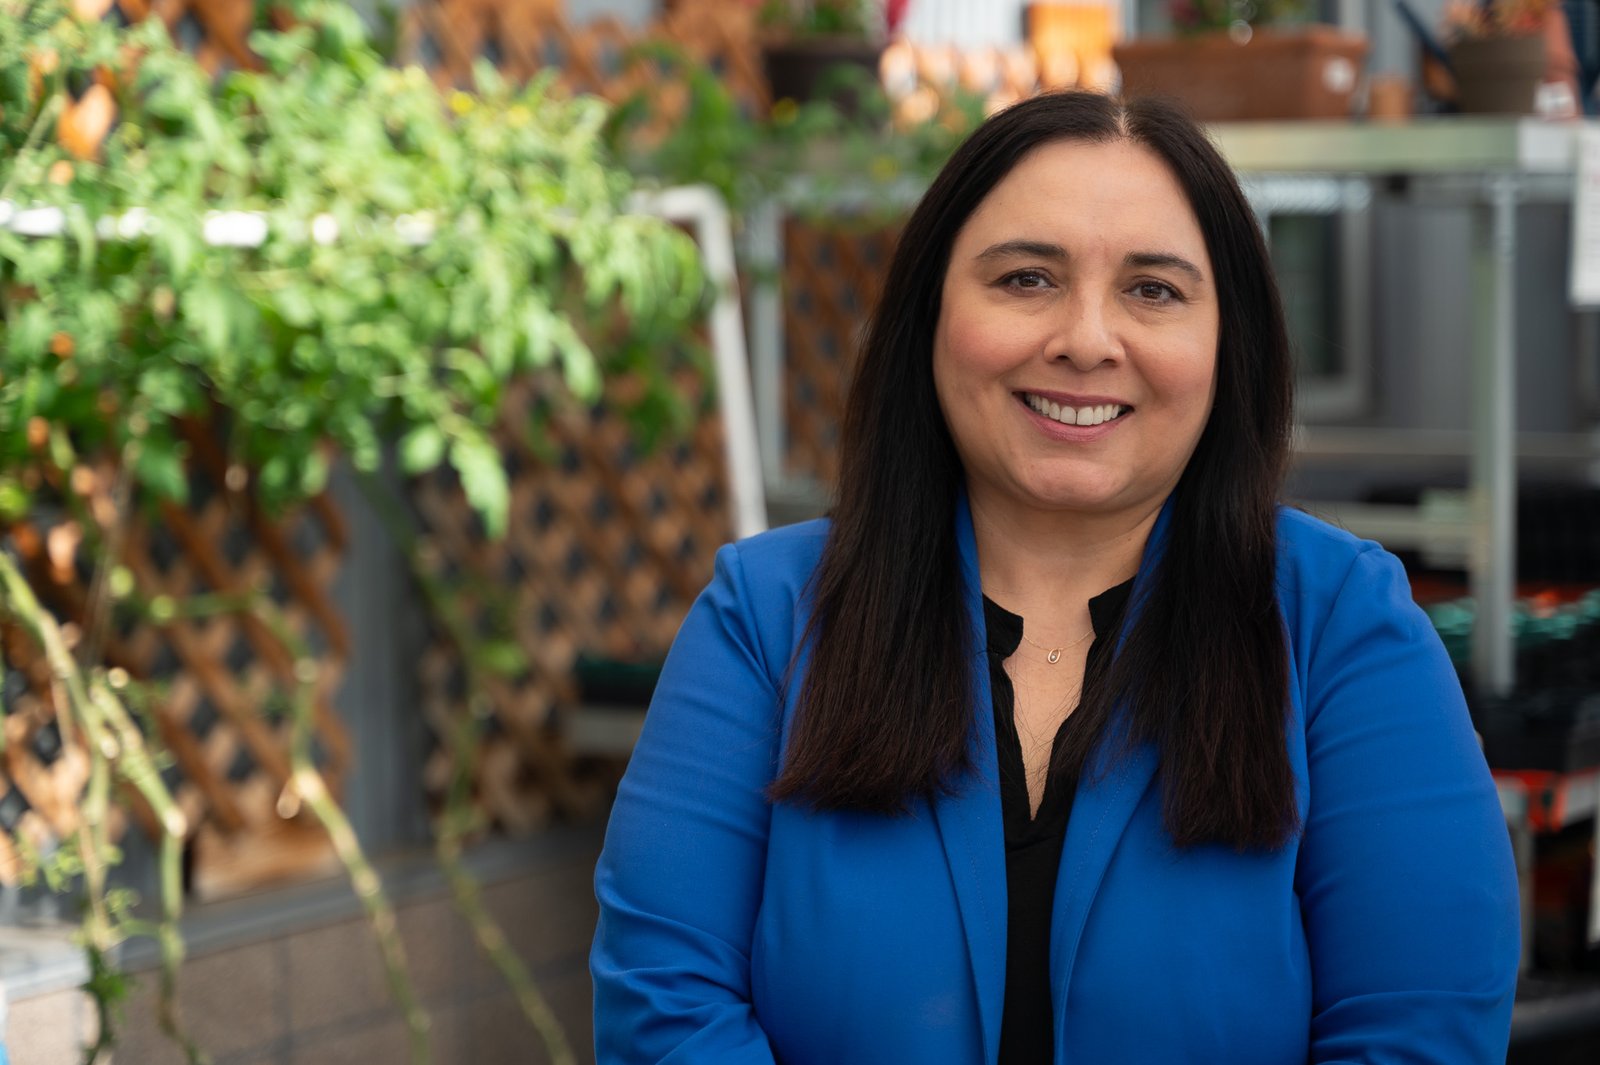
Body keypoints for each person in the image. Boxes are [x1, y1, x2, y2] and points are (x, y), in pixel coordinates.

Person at [591, 91, 1520, 1063]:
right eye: (1026, 278)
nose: (1086, 338)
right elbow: (666, 1002)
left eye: (1152, 290)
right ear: (929, 315)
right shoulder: (764, 616)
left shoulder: (1341, 629)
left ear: (1228, 343)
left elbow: (1418, 1032)